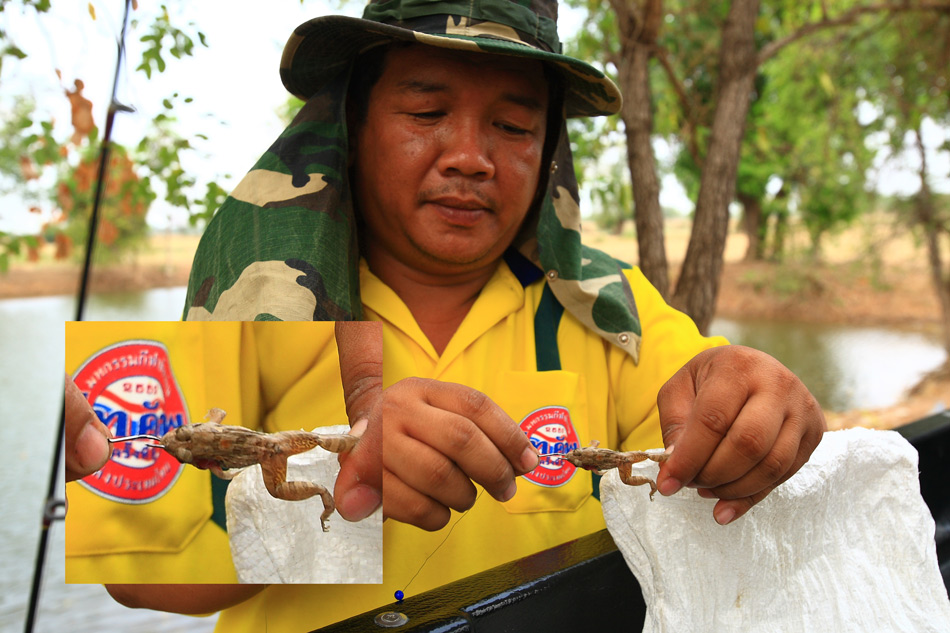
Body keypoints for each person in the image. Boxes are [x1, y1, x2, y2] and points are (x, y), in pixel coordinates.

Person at [101, 0, 826, 630]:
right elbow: (132, 569)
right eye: (426, 112)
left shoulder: (614, 307)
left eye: (513, 125)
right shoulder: (247, 293)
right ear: (353, 123)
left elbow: (711, 400)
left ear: (549, 153)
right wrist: (340, 483)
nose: (472, 157)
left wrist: (755, 400)